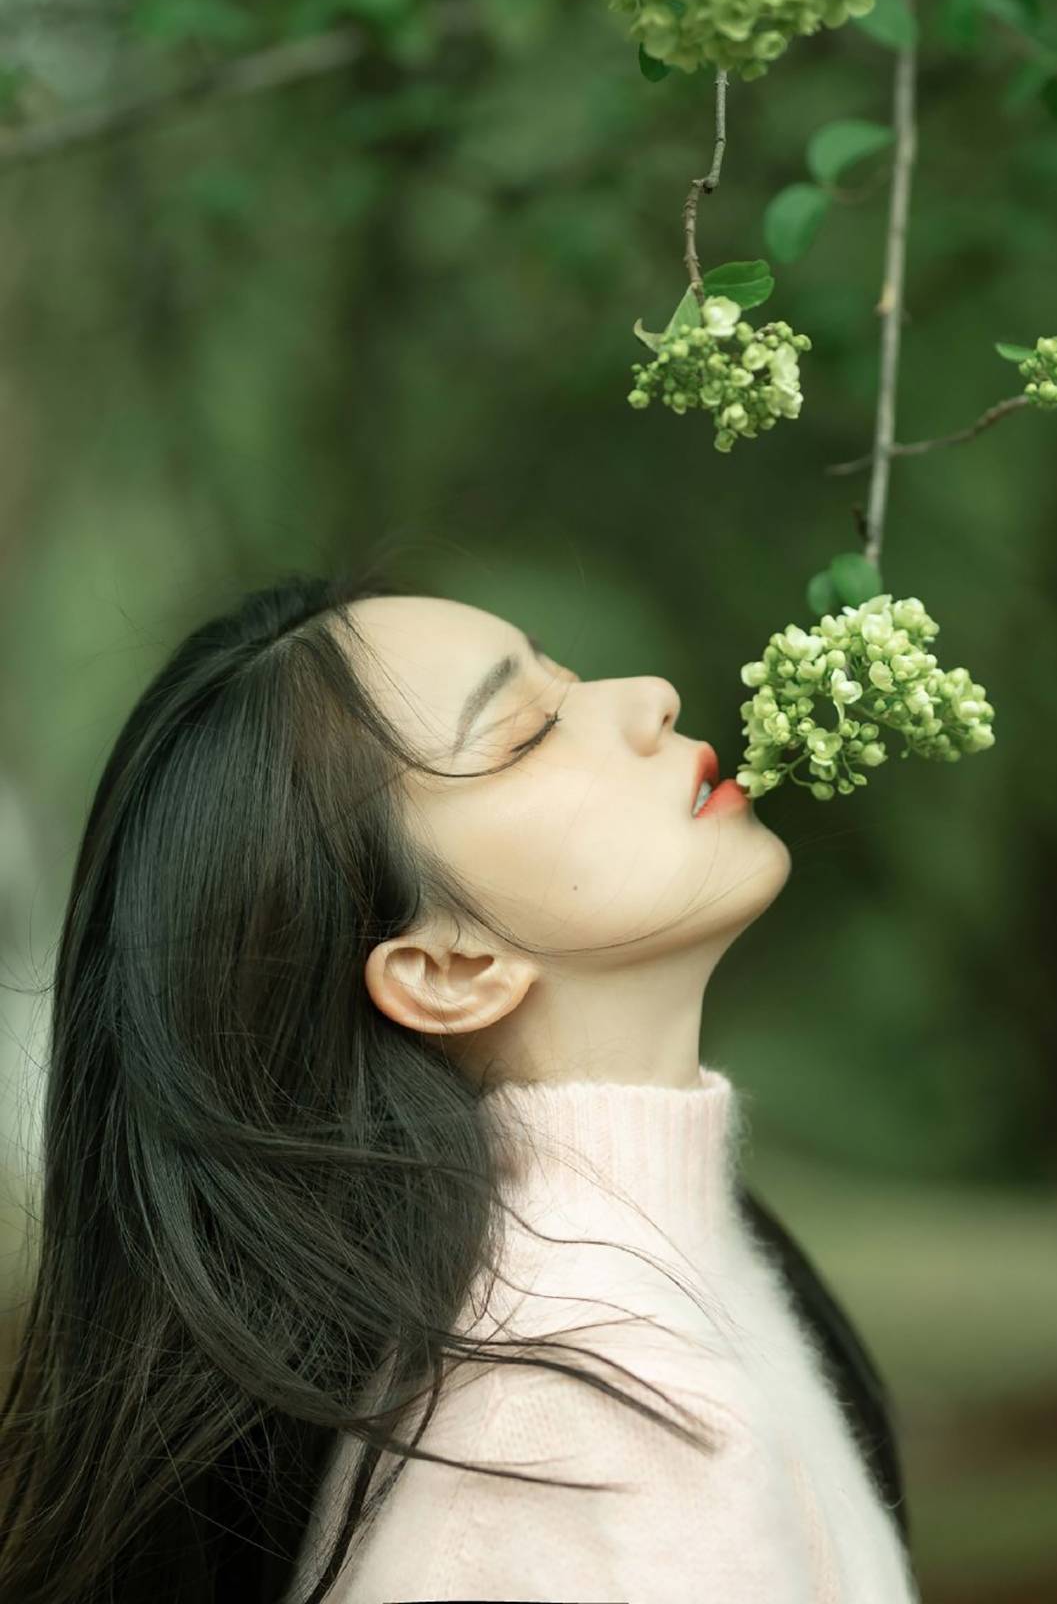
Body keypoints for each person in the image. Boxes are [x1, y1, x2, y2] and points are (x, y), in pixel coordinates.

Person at [0, 566, 917, 1604]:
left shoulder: (684, 1298)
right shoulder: (551, 1446)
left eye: (564, 679)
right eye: (527, 732)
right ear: (447, 969)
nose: (649, 695)